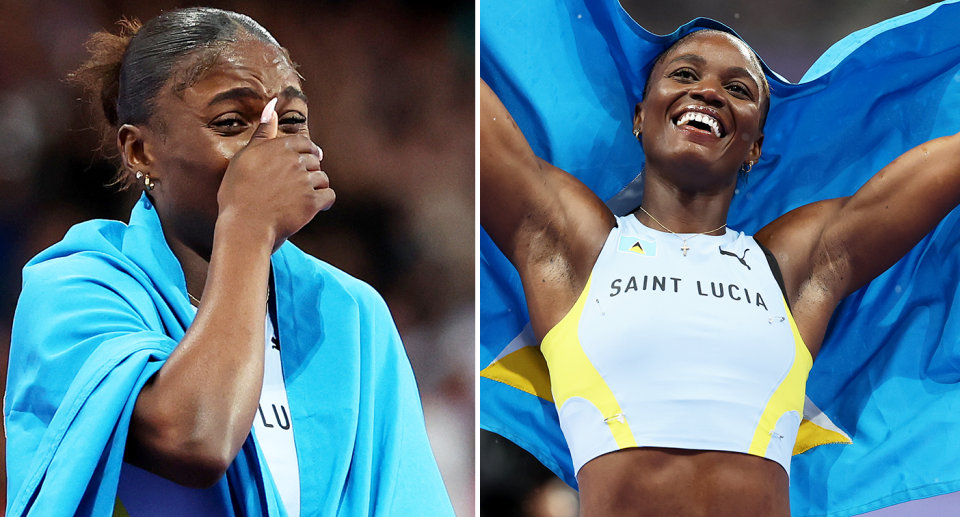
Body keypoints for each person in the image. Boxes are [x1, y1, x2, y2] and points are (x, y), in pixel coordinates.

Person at [480, 25, 960, 516]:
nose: (708, 92)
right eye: (685, 74)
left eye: (738, 89)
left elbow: (940, 171)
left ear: (754, 146)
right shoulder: (575, 248)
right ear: (640, 117)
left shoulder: (793, 268)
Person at [4, 8, 454, 517]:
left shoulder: (351, 313)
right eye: (232, 122)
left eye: (291, 121)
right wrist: (247, 225)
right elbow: (195, 436)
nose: (271, 147)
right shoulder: (72, 290)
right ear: (140, 150)